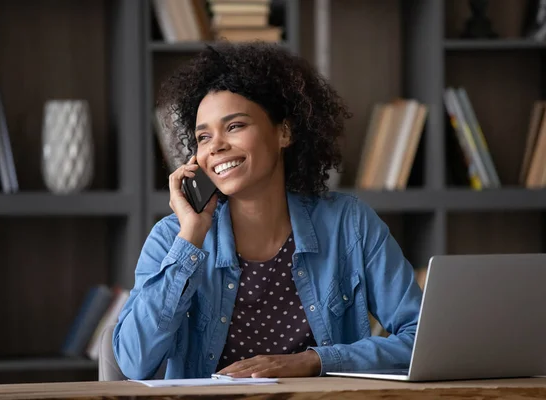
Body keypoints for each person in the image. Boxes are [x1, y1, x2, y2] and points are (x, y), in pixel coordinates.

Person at [113, 41, 423, 380]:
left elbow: (420, 338)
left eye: (234, 126)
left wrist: (313, 361)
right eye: (203, 137)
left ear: (284, 132)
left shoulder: (350, 225)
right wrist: (191, 238)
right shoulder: (173, 237)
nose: (216, 146)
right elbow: (133, 362)